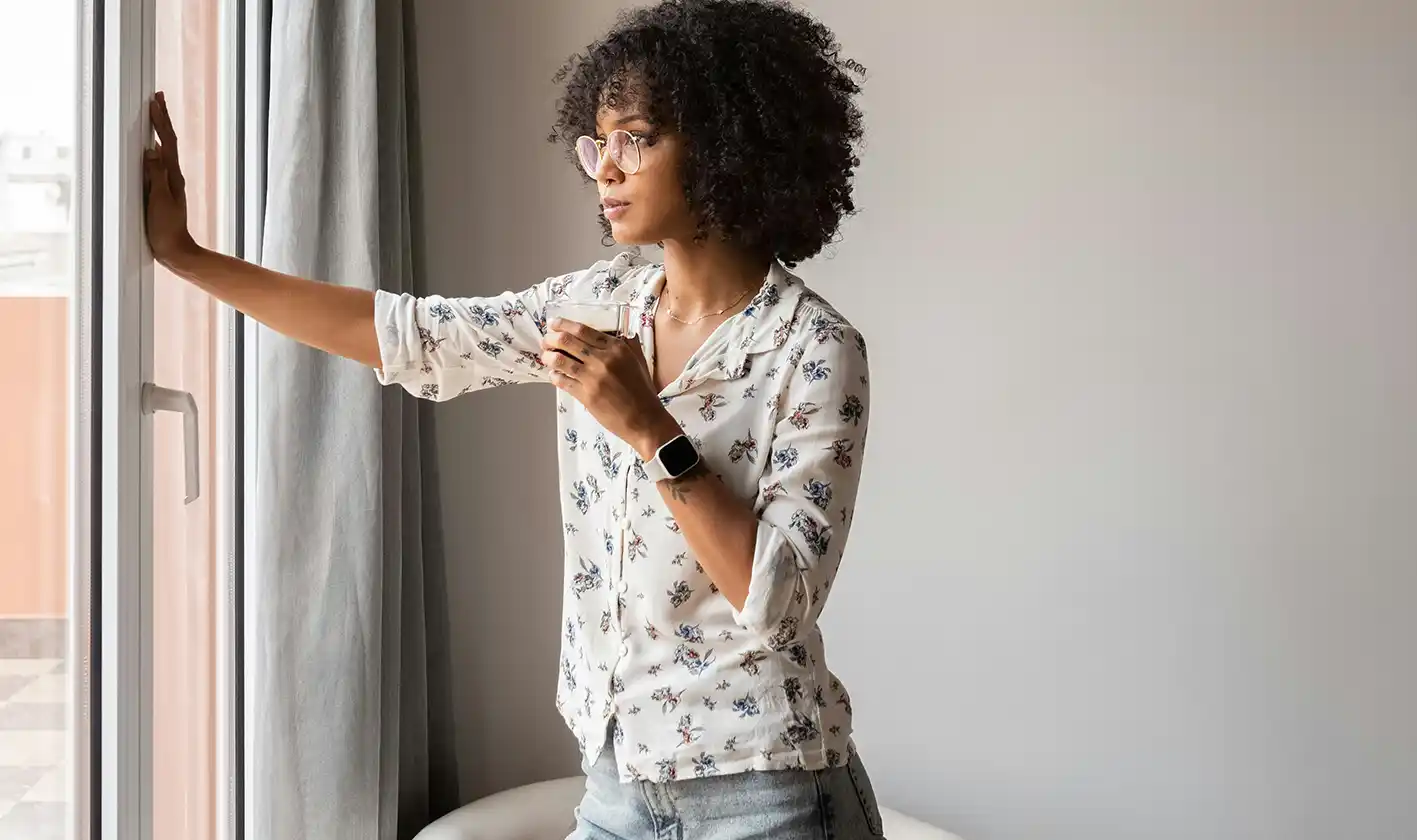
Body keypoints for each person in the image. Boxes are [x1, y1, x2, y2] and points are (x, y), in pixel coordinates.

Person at [144, 1, 882, 837]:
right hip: (618, 781)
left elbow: (780, 602)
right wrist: (187, 257)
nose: (605, 167)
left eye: (635, 138)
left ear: (724, 147)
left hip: (771, 791)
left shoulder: (814, 349)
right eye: (596, 141)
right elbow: (411, 336)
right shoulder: (594, 305)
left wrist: (651, 430)